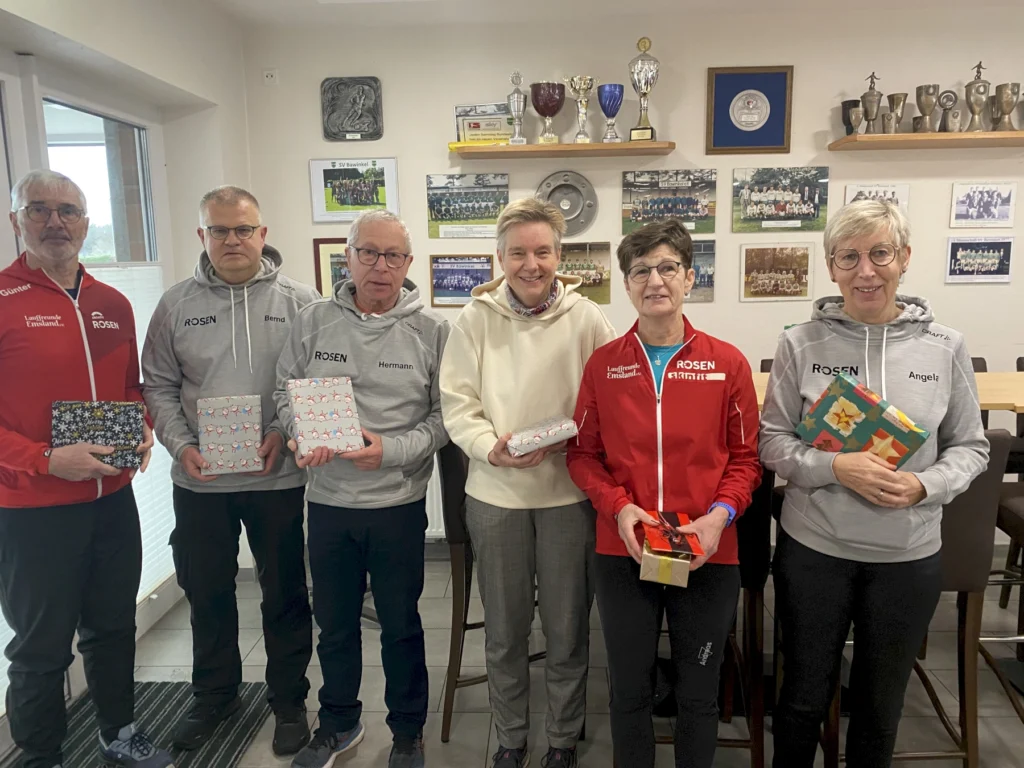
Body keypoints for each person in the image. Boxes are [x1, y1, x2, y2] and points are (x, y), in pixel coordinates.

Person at [759, 200, 991, 768]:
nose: (866, 270)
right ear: (831, 267)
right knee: (801, 699)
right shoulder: (800, 343)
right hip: (815, 551)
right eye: (849, 257)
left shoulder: (946, 346)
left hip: (908, 557)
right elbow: (771, 444)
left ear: (904, 259)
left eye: (880, 254)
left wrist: (925, 485)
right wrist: (835, 467)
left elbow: (972, 446)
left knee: (881, 708)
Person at [566, 219, 761, 768]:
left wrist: (719, 517)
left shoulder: (727, 363)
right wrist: (620, 508)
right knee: (629, 691)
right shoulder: (605, 364)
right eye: (641, 271)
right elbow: (581, 455)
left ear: (690, 277)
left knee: (699, 694)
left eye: (667, 267)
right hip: (624, 547)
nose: (655, 280)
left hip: (707, 550)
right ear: (627, 287)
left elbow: (747, 460)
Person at [0, 170, 172, 768]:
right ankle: (40, 754)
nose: (55, 222)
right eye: (40, 210)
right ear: (17, 219)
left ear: (86, 223)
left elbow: (129, 387)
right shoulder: (2, 299)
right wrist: (46, 459)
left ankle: (118, 734)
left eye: (68, 211)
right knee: (40, 648)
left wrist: (142, 427)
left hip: (111, 501)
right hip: (32, 510)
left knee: (111, 627)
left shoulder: (111, 302)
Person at [141, 186, 320, 755]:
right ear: (203, 236)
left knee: (285, 592)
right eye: (220, 230)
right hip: (201, 481)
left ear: (263, 234)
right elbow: (159, 385)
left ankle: (289, 699)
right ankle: (215, 695)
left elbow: (312, 383)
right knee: (207, 590)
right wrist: (178, 443)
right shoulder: (174, 304)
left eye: (244, 229)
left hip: (278, 477)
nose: (233, 240)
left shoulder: (301, 301)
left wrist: (283, 432)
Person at [440, 198, 616, 768]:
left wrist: (581, 438)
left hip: (568, 495)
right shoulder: (475, 319)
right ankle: (510, 737)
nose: (530, 264)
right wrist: (488, 446)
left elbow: (609, 395)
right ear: (501, 257)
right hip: (496, 495)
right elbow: (457, 402)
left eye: (542, 251)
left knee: (566, 628)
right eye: (518, 252)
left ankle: (562, 739)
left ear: (559, 256)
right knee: (506, 631)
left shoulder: (588, 318)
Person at [276, 210, 449, 768]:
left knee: (401, 625)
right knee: (335, 625)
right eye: (368, 253)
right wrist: (301, 430)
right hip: (327, 502)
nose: (380, 266)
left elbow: (448, 418)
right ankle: (339, 724)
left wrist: (391, 451)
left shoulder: (433, 331)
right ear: (346, 257)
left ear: (408, 262)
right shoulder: (312, 321)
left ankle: (407, 732)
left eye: (393, 255)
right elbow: (285, 392)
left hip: (397, 504)